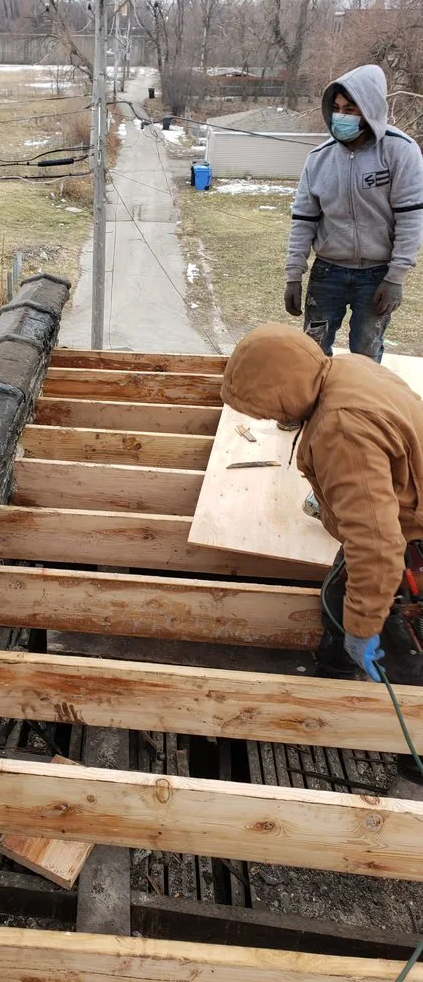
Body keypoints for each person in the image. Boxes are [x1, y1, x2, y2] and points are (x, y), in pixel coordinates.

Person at [221, 324, 423, 790]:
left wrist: (364, 626)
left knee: (401, 647)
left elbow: (376, 543)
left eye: (268, 409)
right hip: (401, 507)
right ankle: (334, 672)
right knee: (338, 593)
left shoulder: (341, 429)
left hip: (406, 530)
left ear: (286, 392)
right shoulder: (343, 368)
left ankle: (415, 756)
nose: (270, 420)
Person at [284, 64, 423, 362]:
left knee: (366, 354)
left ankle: (362, 408)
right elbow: (303, 221)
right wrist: (293, 276)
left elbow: (410, 218)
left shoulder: (400, 151)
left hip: (376, 275)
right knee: (312, 353)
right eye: (336, 108)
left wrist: (395, 278)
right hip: (327, 273)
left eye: (350, 108)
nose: (340, 115)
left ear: (370, 109)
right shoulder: (318, 159)